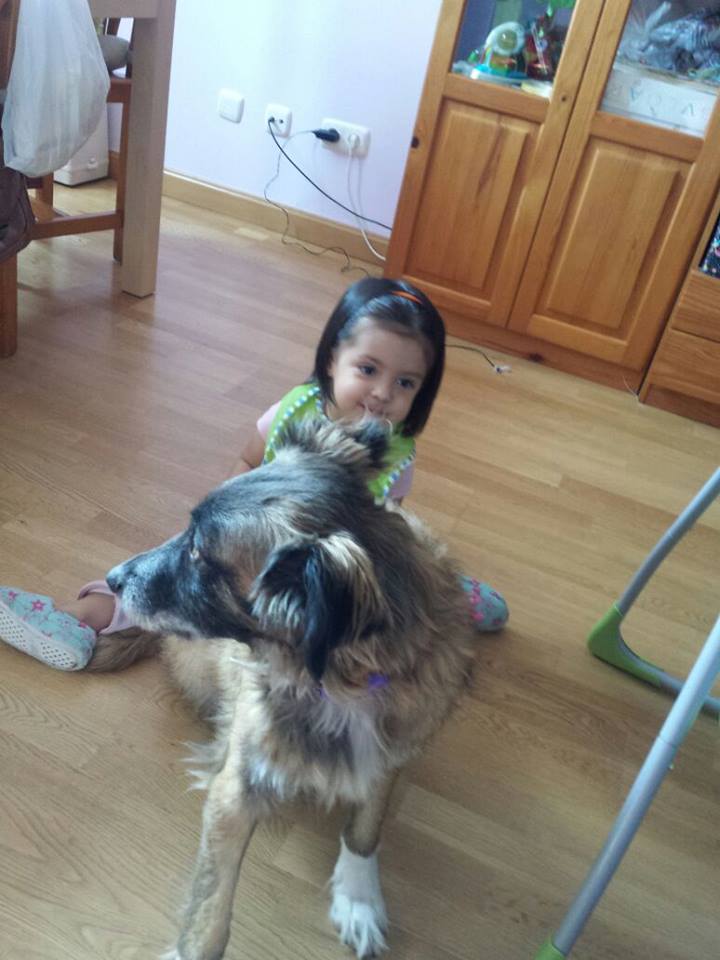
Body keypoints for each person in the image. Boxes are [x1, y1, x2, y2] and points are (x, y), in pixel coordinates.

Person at [0, 277, 508, 670]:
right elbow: (247, 461)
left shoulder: (396, 453)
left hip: (310, 578)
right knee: (170, 575)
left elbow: (386, 527)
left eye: (405, 382)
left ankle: (444, 595)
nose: (382, 393)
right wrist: (222, 523)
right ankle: (75, 619)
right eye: (369, 369)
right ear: (334, 358)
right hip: (243, 543)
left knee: (388, 602)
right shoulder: (294, 409)